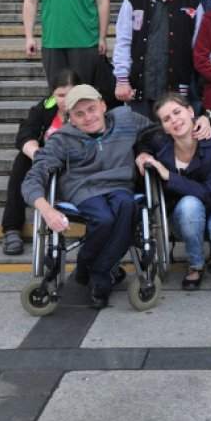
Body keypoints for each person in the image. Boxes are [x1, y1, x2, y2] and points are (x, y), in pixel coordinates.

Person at [21, 85, 159, 308]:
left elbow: (156, 131)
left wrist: (145, 151)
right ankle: (100, 275)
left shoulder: (125, 119)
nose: (88, 117)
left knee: (127, 206)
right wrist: (47, 210)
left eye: (92, 109)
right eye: (79, 114)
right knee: (104, 219)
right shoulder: (61, 139)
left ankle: (92, 271)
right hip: (83, 189)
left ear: (103, 105)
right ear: (71, 119)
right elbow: (33, 177)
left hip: (120, 185)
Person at [135, 92, 211, 289]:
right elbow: (142, 138)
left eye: (177, 112)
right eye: (167, 119)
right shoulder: (160, 143)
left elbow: (209, 193)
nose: (174, 120)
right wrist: (143, 154)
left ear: (190, 111)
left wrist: (169, 176)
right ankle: (195, 264)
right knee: (190, 204)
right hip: (182, 216)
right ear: (164, 127)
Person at [1, 68, 81, 256]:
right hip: (48, 164)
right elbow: (25, 134)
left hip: (78, 167)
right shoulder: (45, 108)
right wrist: (37, 154)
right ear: (53, 94)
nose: (65, 100)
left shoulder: (88, 109)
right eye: (60, 95)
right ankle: (12, 228)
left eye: (70, 95)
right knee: (22, 161)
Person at [113, 0, 202, 117]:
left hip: (177, 92)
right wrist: (122, 80)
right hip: (138, 90)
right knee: (141, 133)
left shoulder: (193, 4)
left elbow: (200, 46)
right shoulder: (133, 1)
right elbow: (123, 43)